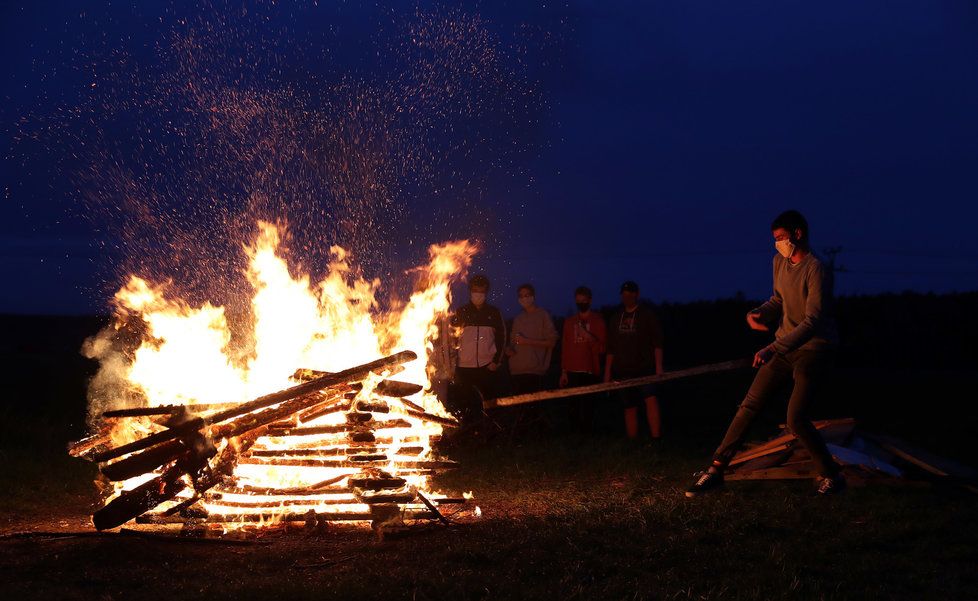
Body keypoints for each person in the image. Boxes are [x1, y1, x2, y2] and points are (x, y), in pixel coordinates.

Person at [685, 209, 845, 498]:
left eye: (782, 238)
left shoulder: (816, 268)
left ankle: (832, 475)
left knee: (795, 418)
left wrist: (773, 347)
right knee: (749, 405)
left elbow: (813, 321)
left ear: (798, 234)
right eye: (775, 239)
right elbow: (778, 300)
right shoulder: (779, 262)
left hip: (813, 349)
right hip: (784, 347)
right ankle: (716, 469)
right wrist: (758, 312)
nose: (778, 244)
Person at [604, 281, 665, 439]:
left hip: (645, 368)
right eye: (624, 294)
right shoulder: (616, 318)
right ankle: (632, 440)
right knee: (629, 406)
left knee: (650, 400)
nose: (627, 297)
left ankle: (656, 438)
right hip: (623, 370)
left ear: (636, 294)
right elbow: (610, 349)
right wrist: (607, 375)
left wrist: (658, 368)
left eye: (630, 294)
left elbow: (657, 343)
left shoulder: (647, 315)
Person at [451, 275, 506, 422]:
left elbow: (502, 337)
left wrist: (496, 361)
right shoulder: (461, 311)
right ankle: (468, 432)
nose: (478, 295)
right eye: (475, 291)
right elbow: (451, 338)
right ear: (470, 291)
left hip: (487, 365)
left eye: (481, 292)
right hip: (464, 366)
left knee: (489, 402)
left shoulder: (493, 312)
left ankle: (490, 433)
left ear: (486, 292)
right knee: (466, 402)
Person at [559, 286, 607, 433]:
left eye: (584, 301)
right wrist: (564, 371)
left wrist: (587, 335)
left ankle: (587, 435)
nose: (581, 304)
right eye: (578, 301)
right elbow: (565, 347)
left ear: (590, 301)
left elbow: (602, 348)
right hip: (572, 370)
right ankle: (574, 436)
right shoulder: (569, 322)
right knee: (572, 405)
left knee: (588, 405)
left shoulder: (598, 321)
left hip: (590, 370)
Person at [506, 283, 558, 394]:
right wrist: (509, 349)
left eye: (527, 295)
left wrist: (527, 341)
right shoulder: (518, 319)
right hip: (516, 371)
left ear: (533, 296)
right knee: (519, 408)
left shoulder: (543, 315)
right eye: (521, 296)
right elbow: (512, 342)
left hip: (534, 371)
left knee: (532, 408)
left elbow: (551, 342)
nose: (524, 298)